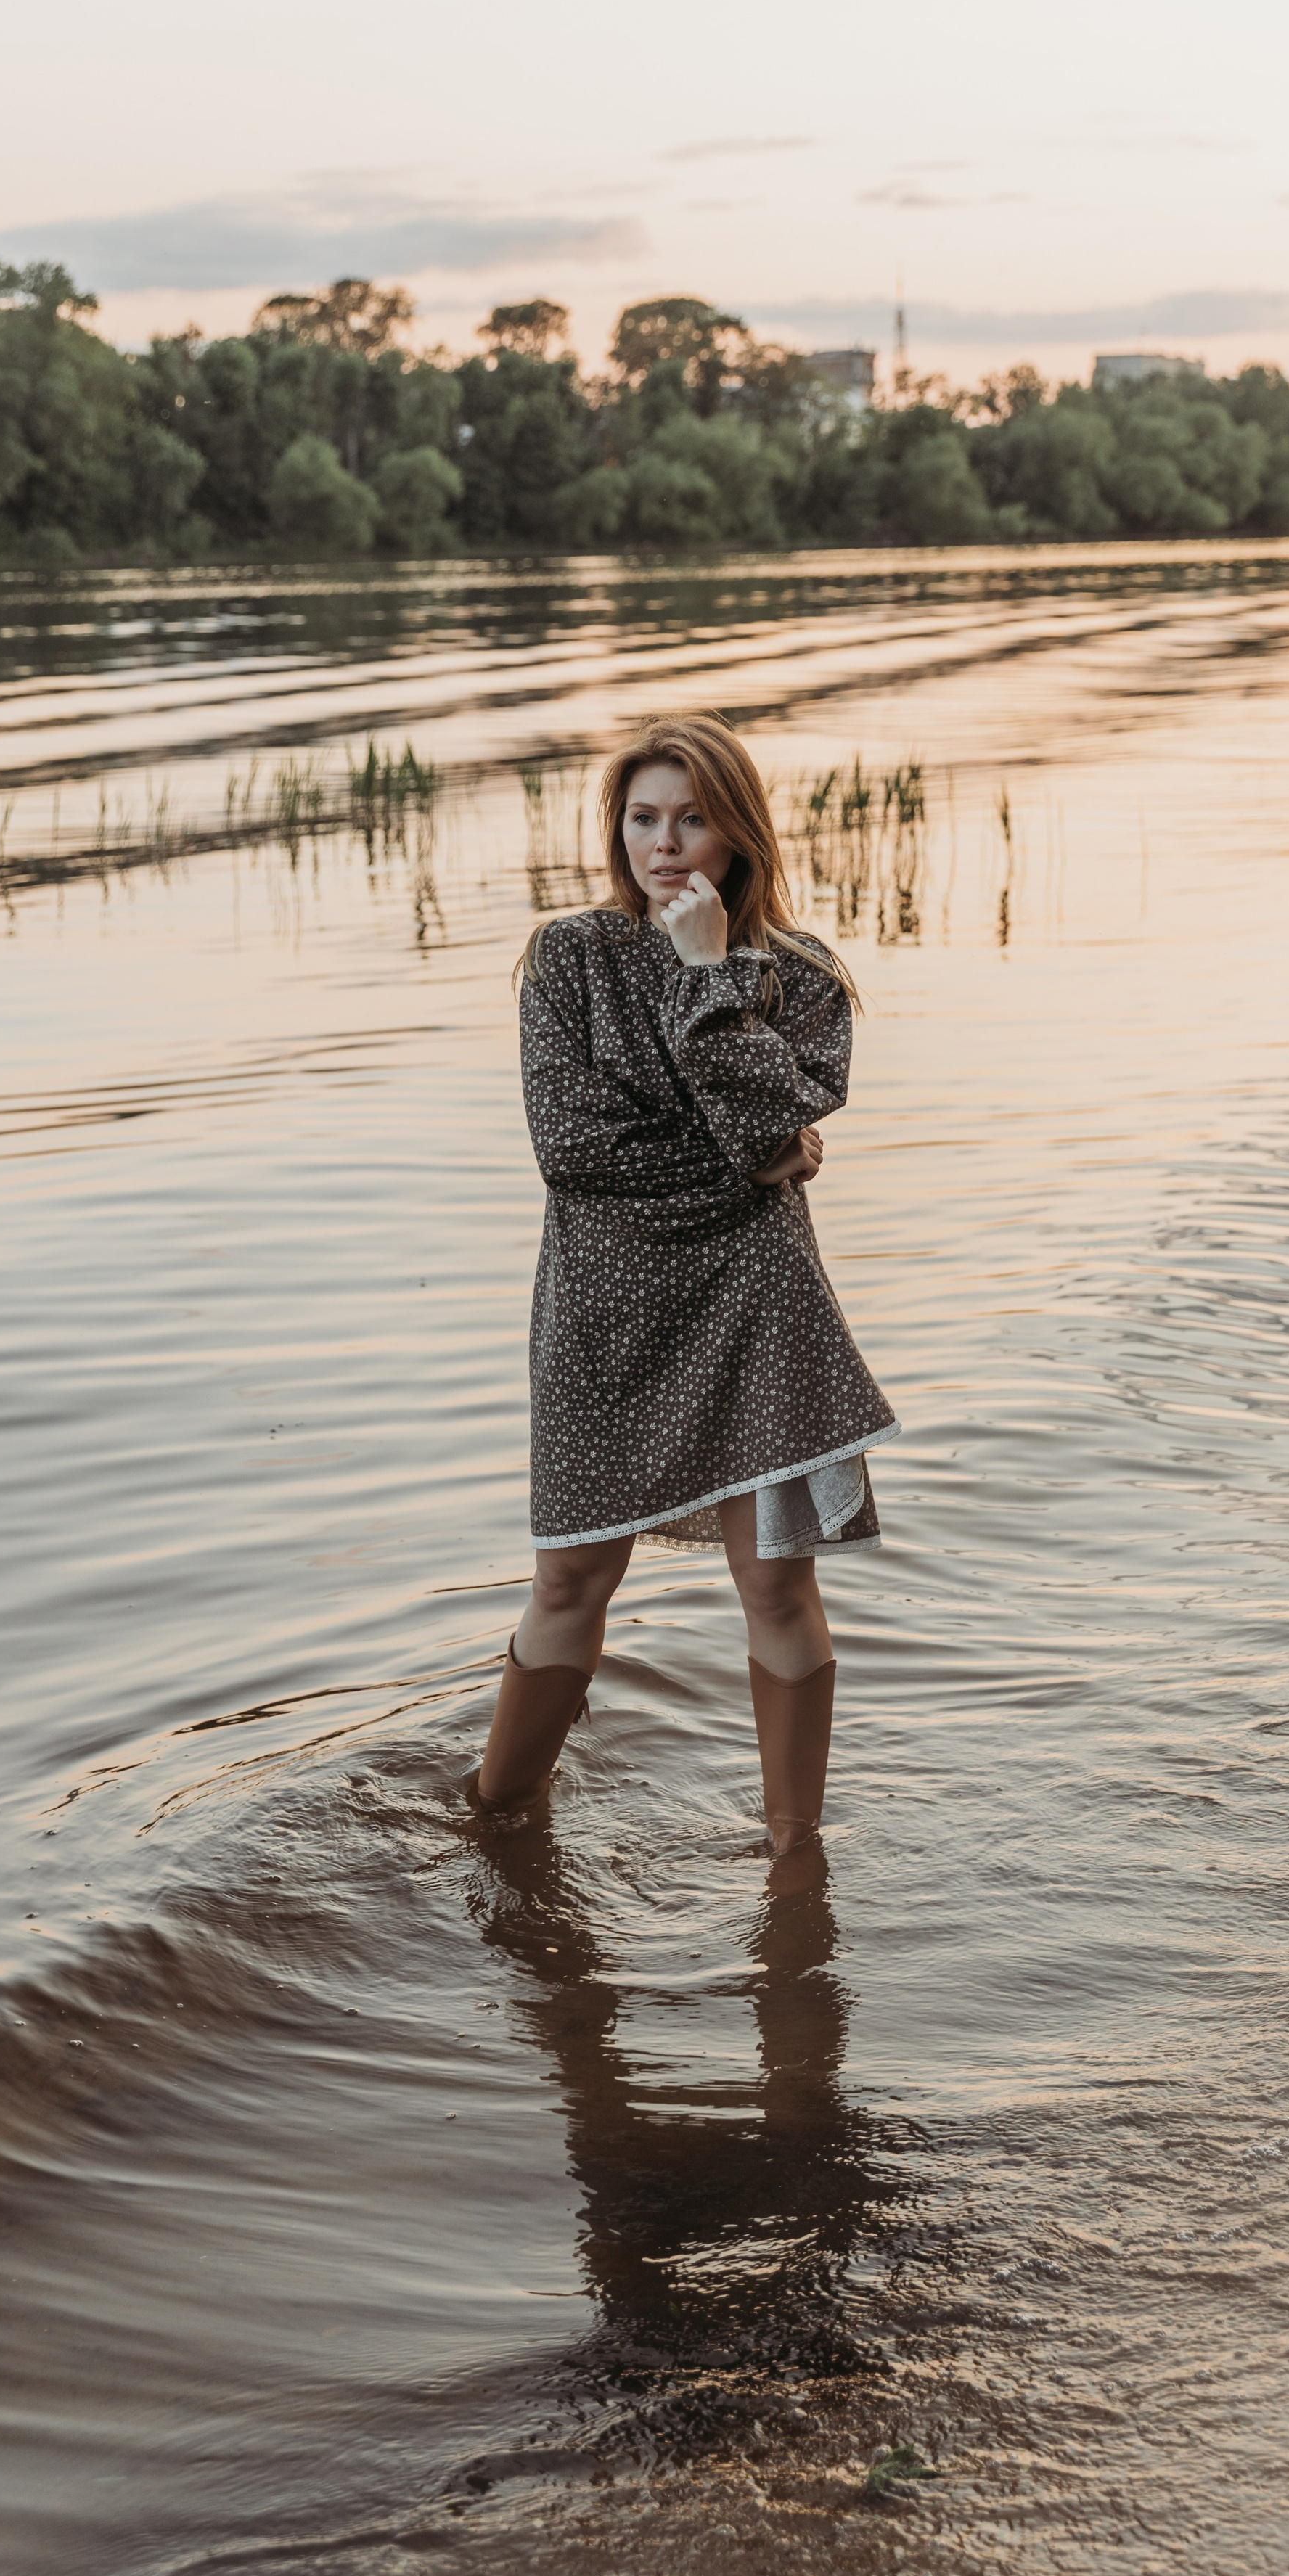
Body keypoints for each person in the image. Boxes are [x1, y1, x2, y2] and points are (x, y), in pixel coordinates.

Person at [476, 712, 899, 1855]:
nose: (664, 843)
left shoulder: (802, 982)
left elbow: (778, 1115)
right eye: (643, 817)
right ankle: (497, 1820)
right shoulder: (568, 960)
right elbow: (575, 1151)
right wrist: (760, 1159)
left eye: (693, 818)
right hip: (601, 1320)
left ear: (740, 832)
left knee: (776, 1593)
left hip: (758, 1312)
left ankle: (792, 1857)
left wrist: (712, 980)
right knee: (568, 1582)